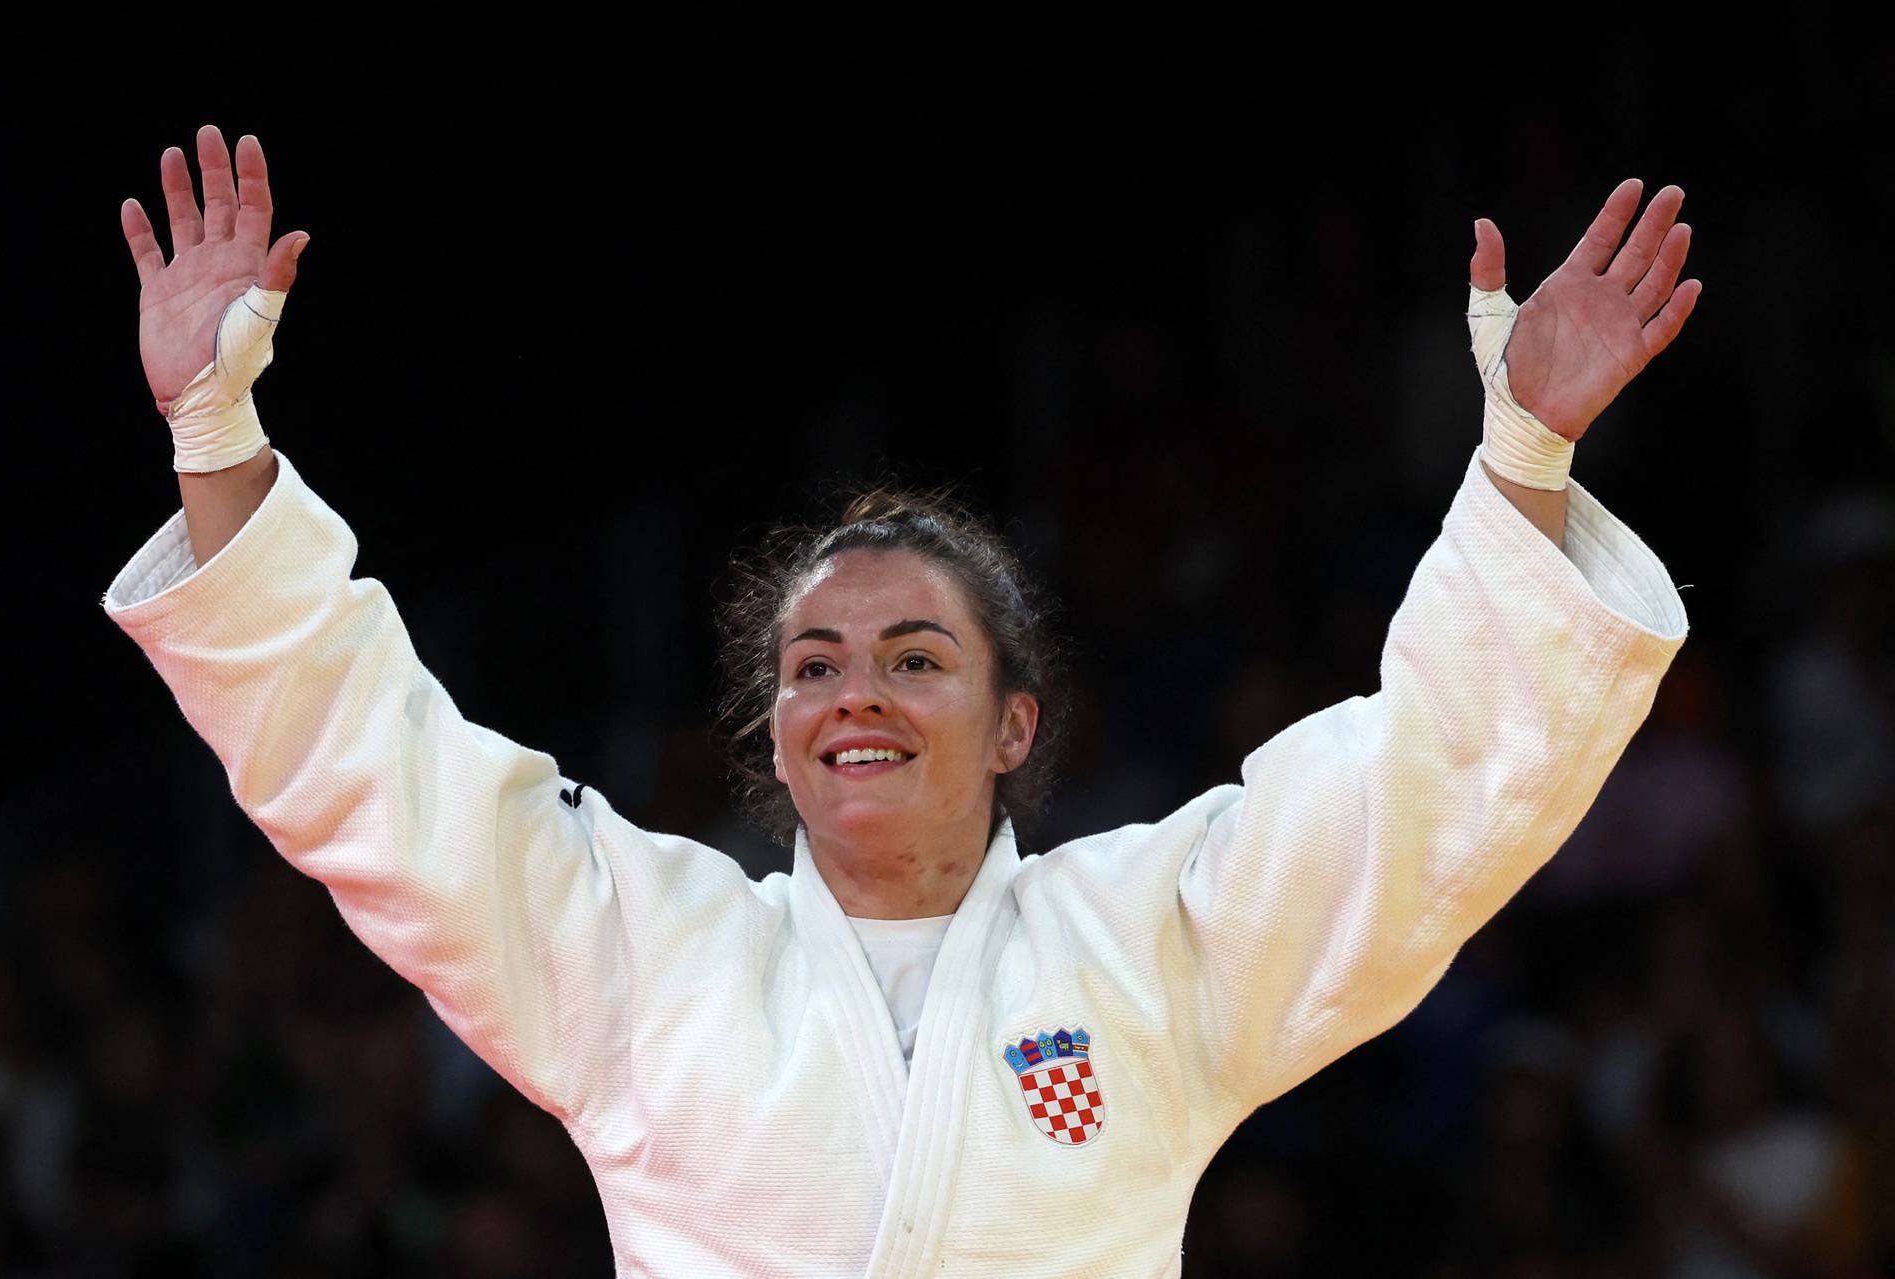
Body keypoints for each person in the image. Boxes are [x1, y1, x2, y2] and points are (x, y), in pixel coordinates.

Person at [105, 124, 1698, 1277]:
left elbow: (1427, 796)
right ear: (773, 739)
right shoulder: (639, 952)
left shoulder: (1155, 941)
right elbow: (370, 766)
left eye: (915, 657)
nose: (854, 692)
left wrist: (1527, 461)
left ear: (1016, 726)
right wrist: (214, 428)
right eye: (815, 666)